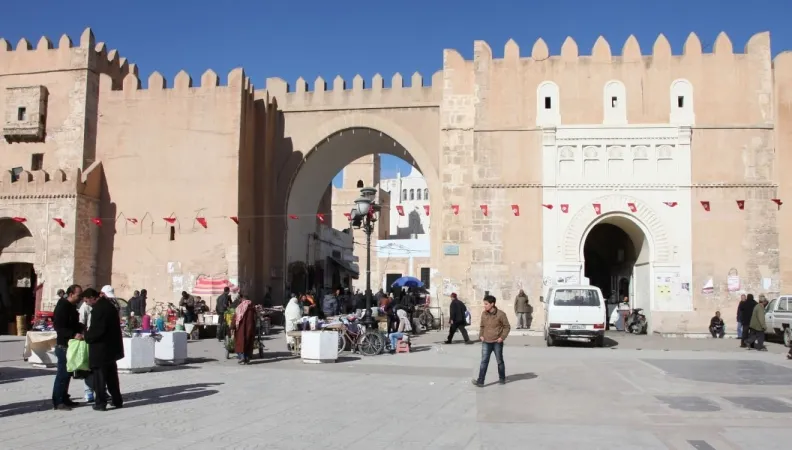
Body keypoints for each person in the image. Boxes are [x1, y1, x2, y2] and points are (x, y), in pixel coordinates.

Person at [82, 288, 124, 411]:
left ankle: (100, 403)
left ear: (92, 298)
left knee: (99, 378)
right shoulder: (110, 307)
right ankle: (117, 400)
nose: (87, 303)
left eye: (86, 301)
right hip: (111, 349)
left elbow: (98, 330)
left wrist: (86, 336)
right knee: (112, 378)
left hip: (101, 350)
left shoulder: (99, 310)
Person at [52, 284, 83, 411]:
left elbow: (73, 323)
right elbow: (59, 327)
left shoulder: (71, 306)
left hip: (70, 345)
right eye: (78, 295)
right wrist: (73, 334)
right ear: (71, 294)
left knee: (68, 374)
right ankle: (58, 401)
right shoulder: (63, 306)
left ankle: (65, 398)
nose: (80, 297)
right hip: (63, 345)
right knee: (62, 374)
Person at [472, 295, 511, 387]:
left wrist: (502, 337)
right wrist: (481, 335)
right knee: (484, 361)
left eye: (486, 304)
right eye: (484, 304)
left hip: (497, 342)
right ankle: (480, 381)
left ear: (492, 304)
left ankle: (502, 379)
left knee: (499, 361)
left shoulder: (501, 314)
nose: (484, 306)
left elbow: (507, 327)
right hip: (486, 341)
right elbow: (482, 326)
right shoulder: (484, 314)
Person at [77, 290, 95, 402]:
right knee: (88, 366)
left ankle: (100, 389)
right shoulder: (85, 307)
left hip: (95, 338)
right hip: (88, 338)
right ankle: (88, 391)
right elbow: (81, 323)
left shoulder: (95, 306)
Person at [234, 295, 256, 364]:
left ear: (242, 300)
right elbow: (255, 317)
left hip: (241, 328)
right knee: (248, 343)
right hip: (250, 328)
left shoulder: (240, 307)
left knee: (240, 343)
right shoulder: (253, 307)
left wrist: (232, 326)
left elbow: (235, 317)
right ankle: (247, 358)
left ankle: (242, 357)